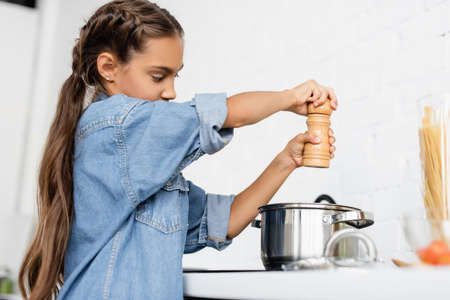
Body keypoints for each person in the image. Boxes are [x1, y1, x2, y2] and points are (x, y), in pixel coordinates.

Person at [18, 1, 337, 299]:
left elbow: (225, 221)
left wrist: (286, 160)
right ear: (108, 68)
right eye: (158, 76)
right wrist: (290, 97)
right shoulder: (115, 126)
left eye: (175, 75)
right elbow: (226, 113)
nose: (171, 91)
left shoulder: (146, 168)